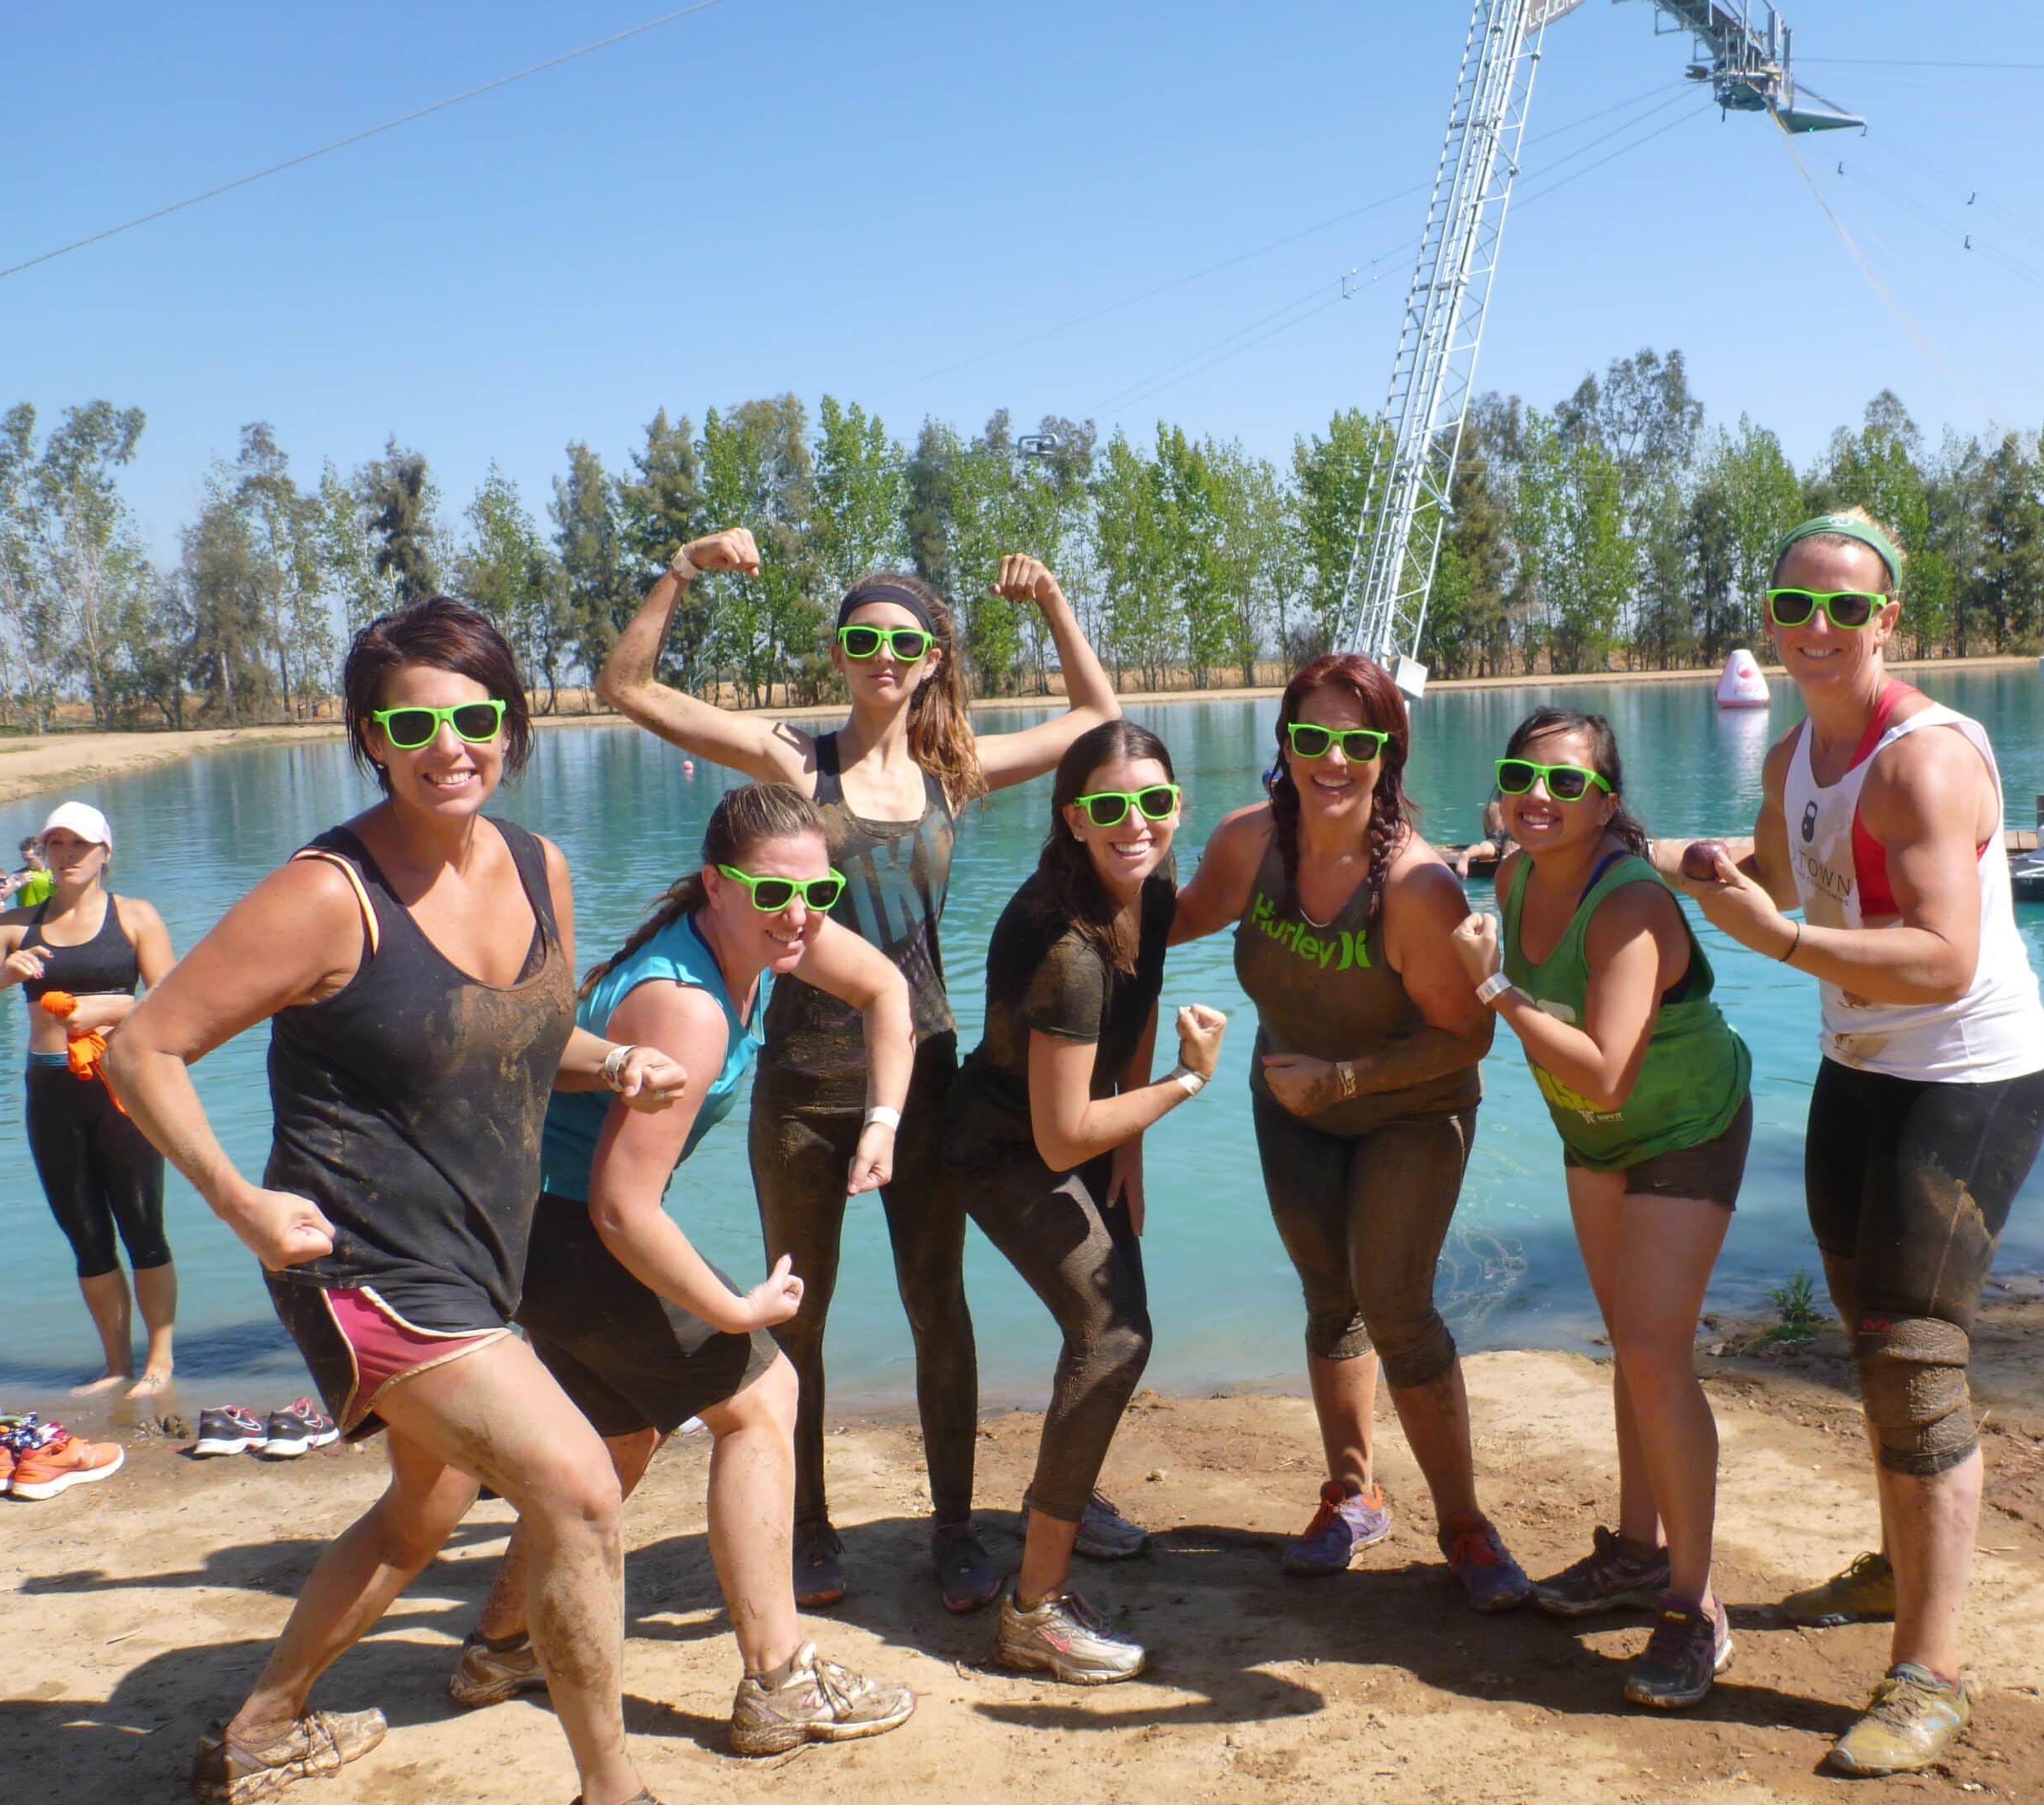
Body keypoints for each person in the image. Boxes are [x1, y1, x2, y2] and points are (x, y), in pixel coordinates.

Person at [105, 597, 693, 1805]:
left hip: (481, 1255)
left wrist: (610, 1060)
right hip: (359, 1261)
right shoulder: (329, 894)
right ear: (371, 737)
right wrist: (238, 1204)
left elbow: (521, 1036)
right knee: (580, 1489)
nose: (451, 746)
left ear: (513, 721)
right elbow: (141, 1051)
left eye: (477, 717)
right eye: (412, 725)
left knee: (427, 1508)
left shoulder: (541, 865)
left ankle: (262, 1728)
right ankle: (613, 1790)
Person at [595, 530, 1122, 1611]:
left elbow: (1099, 724)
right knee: (803, 1315)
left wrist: (1057, 603)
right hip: (797, 1089)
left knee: (940, 1304)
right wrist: (683, 574)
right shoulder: (798, 761)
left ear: (933, 656)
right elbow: (629, 688)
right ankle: (812, 1529)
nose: (883, 655)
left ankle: (955, 1532)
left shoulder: (953, 766)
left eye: (905, 641)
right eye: (862, 638)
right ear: (839, 652)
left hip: (922, 1081)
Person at [1653, 510, 2044, 1777]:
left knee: (1918, 1354)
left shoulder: (1921, 766)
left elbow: (1943, 961)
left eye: (1844, 608)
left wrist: (1775, 943)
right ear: (1767, 624)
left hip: (1970, 1076)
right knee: (1865, 1329)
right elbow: (1766, 870)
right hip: (1859, 1070)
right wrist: (1613, 850)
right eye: (1793, 609)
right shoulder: (1795, 753)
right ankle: (1900, 1565)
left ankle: (1930, 1674)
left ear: (1890, 620)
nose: (1816, 630)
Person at [447, 780, 920, 1753]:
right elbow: (625, 1209)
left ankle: (501, 1648)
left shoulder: (774, 940)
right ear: (716, 884)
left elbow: (887, 990)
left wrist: (882, 1122)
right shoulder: (689, 1008)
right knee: (760, 1397)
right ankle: (778, 1680)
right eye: (774, 892)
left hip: (545, 1226)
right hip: (561, 1230)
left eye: (818, 894)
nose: (800, 915)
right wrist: (733, 1308)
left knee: (616, 1438)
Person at [1170, 653, 1528, 1609]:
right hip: (1293, 1103)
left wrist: (1345, 1081)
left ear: (1388, 755)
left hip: (1410, 1107)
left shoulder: (1415, 889)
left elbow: (1470, 1040)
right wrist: (1069, 929)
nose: (1334, 759)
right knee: (1332, 1298)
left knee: (1397, 1306)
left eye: (1358, 742)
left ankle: (1465, 1523)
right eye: (1312, 737)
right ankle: (1354, 1493)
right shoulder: (1251, 842)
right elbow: (1173, 918)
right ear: (1283, 745)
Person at [1447, 709, 1753, 1709]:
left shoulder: (1626, 906)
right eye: (1521, 778)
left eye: (1567, 785)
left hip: (1683, 1123)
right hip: (1596, 1139)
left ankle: (1693, 1603)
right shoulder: (1515, 876)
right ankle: (1633, 1552)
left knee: (1659, 1356)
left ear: (1606, 803)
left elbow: (1613, 1073)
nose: (1540, 798)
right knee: (1629, 1343)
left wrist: (1492, 984)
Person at [945, 720, 1228, 1683]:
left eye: (1154, 800)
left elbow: (1138, 1007)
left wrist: (1133, 1146)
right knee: (1111, 1337)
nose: (1135, 821)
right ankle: (1034, 1610)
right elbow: (1062, 1134)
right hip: (1000, 1150)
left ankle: (1061, 1502)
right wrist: (1188, 1086)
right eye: (1109, 807)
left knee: (1118, 1330)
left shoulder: (1144, 889)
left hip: (1066, 1133)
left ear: (1177, 804)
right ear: (1073, 819)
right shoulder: (1064, 943)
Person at [0, 801, 180, 1397]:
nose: (67, 856)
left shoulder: (137, 917)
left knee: (143, 1225)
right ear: (44, 851)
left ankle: (161, 1364)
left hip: (123, 1087)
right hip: (51, 1092)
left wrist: (110, 1007)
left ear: (105, 853)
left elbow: (177, 1006)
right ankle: (117, 1365)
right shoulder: (10, 926)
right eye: (57, 845)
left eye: (80, 845)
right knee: (87, 1235)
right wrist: (0, 981)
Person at [16, 836, 54, 908]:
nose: (25, 862)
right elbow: (3, 894)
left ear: (41, 855)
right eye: (24, 859)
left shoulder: (55, 874)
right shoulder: (19, 875)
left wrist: (61, 884)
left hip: (51, 916)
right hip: (28, 916)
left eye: (29, 859)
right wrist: (18, 883)